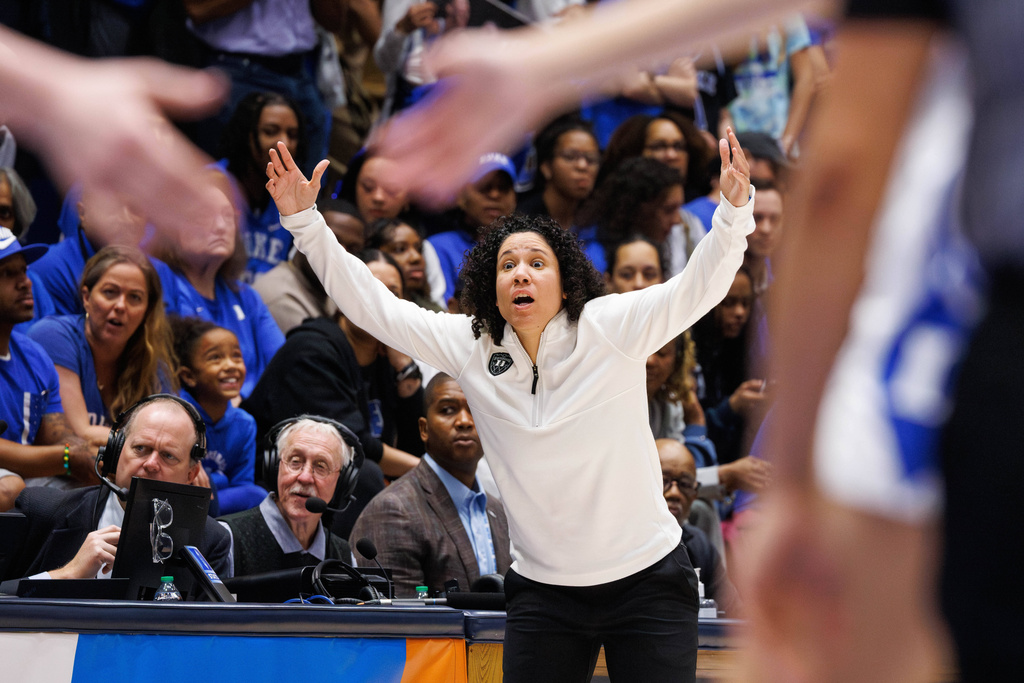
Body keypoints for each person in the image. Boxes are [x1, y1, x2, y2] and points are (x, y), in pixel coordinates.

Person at [265, 122, 753, 681]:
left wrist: (734, 216)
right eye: (507, 265)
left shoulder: (610, 325)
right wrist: (306, 223)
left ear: (565, 283)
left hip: (647, 582)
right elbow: (377, 307)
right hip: (545, 594)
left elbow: (698, 287)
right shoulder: (471, 344)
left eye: (536, 263)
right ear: (493, 286)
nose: (521, 271)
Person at [8, 395, 231, 580]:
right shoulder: (41, 511)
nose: (151, 464)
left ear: (190, 475)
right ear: (116, 453)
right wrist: (67, 574)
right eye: (141, 448)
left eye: (168, 455)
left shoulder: (210, 542)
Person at [351, 373, 512, 597]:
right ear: (424, 429)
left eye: (475, 410)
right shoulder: (393, 510)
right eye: (448, 410)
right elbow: (400, 625)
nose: (464, 421)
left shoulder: (501, 512)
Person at [28, 245, 178, 447]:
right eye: (110, 292)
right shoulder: (54, 336)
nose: (121, 306)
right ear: (87, 298)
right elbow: (80, 433)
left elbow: (170, 436)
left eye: (135, 297)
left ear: (147, 310)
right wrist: (150, 446)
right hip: (55, 472)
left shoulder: (152, 363)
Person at [149, 175, 285, 398]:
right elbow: (160, 369)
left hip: (253, 421)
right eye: (205, 216)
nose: (221, 227)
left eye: (228, 217)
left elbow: (284, 366)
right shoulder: (159, 279)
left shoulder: (247, 297)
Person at [1, 230, 96, 500]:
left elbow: (58, 438)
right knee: (8, 490)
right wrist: (67, 456)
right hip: (11, 486)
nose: (25, 283)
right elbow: (65, 454)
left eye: (23, 271)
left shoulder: (35, 356)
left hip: (29, 484)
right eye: (7, 274)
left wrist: (95, 461)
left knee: (102, 492)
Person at [218, 416, 358, 577]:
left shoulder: (345, 558)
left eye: (321, 466)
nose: (305, 477)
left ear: (341, 483)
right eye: (295, 461)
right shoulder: (228, 540)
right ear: (275, 467)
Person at [171, 316, 265, 516]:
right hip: (178, 502)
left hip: (217, 504)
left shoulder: (245, 424)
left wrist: (215, 484)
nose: (230, 365)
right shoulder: (176, 412)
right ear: (189, 376)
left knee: (258, 496)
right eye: (215, 358)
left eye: (236, 356)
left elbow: (243, 489)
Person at [216, 91, 308, 282]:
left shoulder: (293, 193)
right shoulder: (213, 183)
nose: (285, 143)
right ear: (247, 135)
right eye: (270, 131)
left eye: (293, 135)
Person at [253, 198, 365, 333]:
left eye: (353, 249)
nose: (342, 254)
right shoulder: (281, 298)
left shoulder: (328, 287)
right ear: (303, 236)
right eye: (332, 241)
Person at [656, 438, 738, 614]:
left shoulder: (699, 546)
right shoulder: (618, 544)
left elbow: (735, 613)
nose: (675, 493)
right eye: (664, 481)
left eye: (685, 484)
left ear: (694, 494)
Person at [427, 153, 518, 304]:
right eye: (484, 186)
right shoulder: (438, 247)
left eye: (503, 188)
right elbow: (441, 309)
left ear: (515, 199)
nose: (495, 195)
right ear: (461, 197)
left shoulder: (529, 245)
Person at [516, 115, 600, 232]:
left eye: (591, 159)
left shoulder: (598, 218)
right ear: (546, 167)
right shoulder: (522, 222)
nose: (582, 166)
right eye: (570, 157)